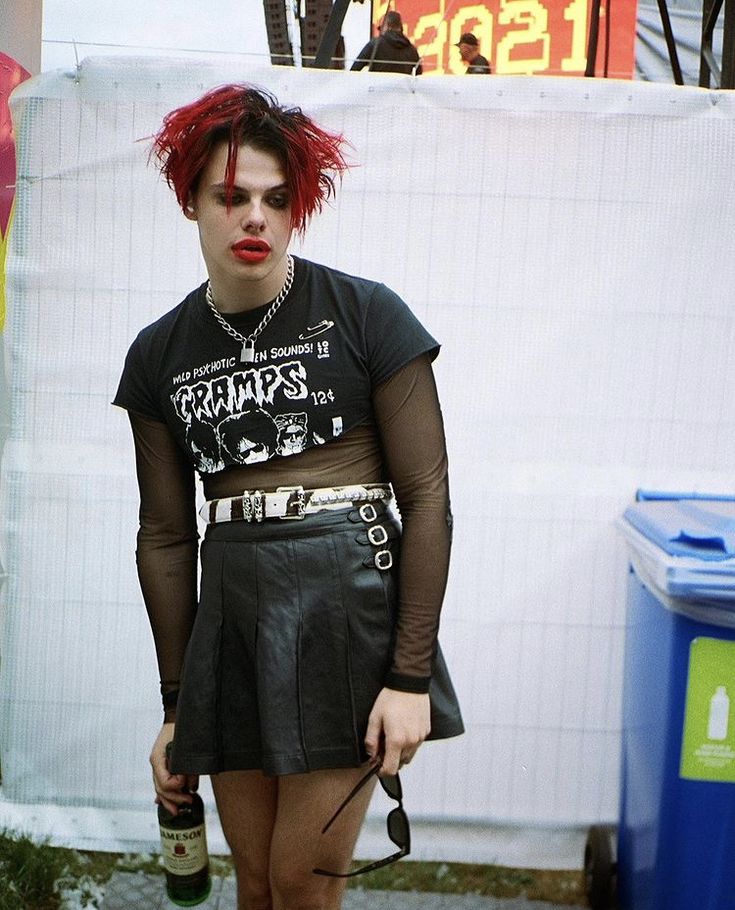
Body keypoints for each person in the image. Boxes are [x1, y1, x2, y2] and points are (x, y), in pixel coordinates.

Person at [113, 84, 463, 910]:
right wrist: (178, 709)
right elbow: (164, 537)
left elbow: (427, 496)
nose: (254, 219)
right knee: (257, 890)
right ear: (191, 201)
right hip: (233, 619)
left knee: (302, 892)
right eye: (230, 198)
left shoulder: (365, 313)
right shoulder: (157, 353)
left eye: (276, 199)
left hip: (343, 606)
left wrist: (408, 678)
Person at [351, 10, 423, 75]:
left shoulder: (375, 44)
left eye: (381, 28)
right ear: (400, 27)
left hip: (378, 88)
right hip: (402, 89)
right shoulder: (412, 50)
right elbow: (418, 76)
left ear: (387, 26)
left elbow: (354, 70)